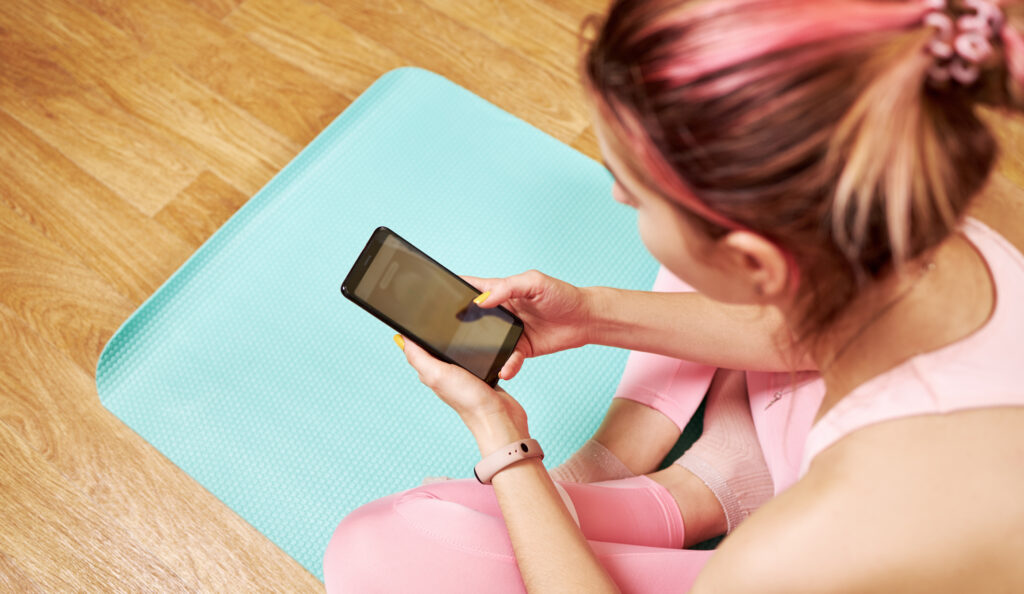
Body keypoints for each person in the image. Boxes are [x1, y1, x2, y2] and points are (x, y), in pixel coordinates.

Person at [324, 0, 1024, 590]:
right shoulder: (914, 205)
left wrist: (499, 435)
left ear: (759, 264)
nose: (616, 196)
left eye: (633, 192)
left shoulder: (814, 541)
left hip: (819, 509)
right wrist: (589, 313)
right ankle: (711, 477)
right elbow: (815, 328)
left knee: (380, 552)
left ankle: (705, 490)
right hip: (812, 424)